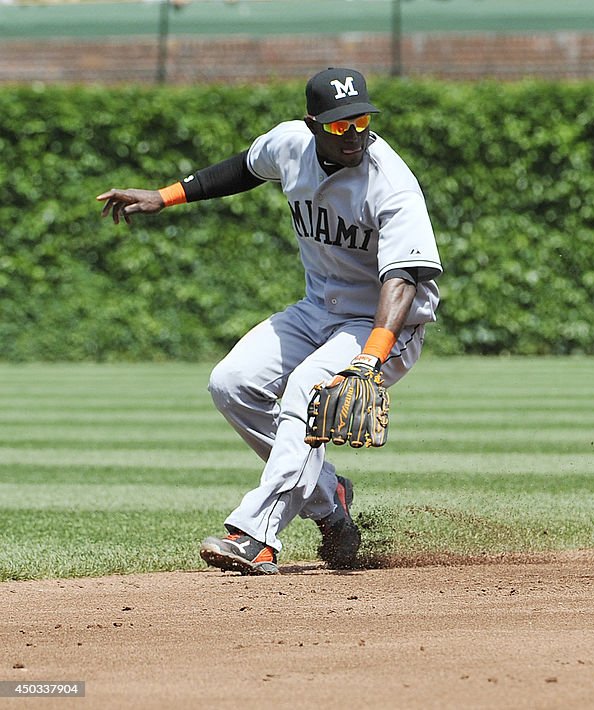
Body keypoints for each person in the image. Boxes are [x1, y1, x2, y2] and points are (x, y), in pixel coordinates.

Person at [97, 67, 442, 575]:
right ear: (313, 124)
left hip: (381, 323)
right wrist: (164, 196)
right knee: (230, 384)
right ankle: (329, 496)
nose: (355, 133)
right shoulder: (290, 145)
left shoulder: (390, 184)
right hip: (318, 308)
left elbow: (405, 276)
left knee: (307, 389)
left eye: (362, 120)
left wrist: (371, 358)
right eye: (340, 125)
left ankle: (257, 536)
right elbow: (244, 167)